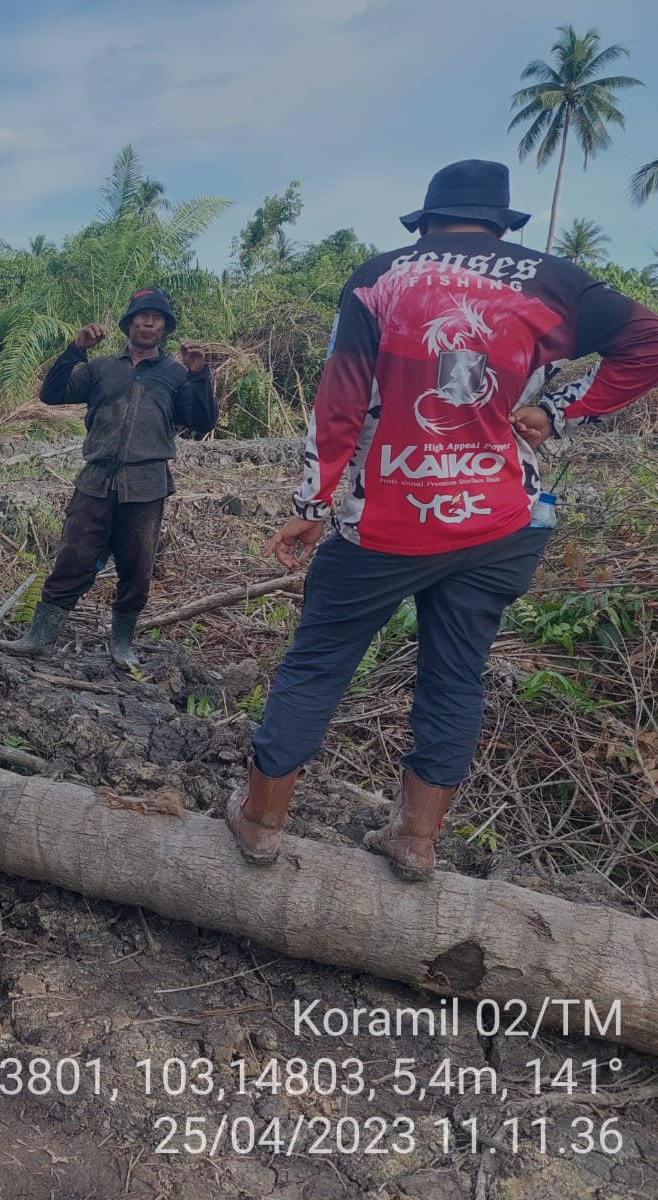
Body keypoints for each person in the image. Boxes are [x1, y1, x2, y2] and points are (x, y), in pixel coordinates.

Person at [227, 159, 658, 880]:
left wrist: (311, 504)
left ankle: (262, 821)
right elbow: (647, 343)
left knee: (317, 664)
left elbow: (339, 401)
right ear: (499, 223)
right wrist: (559, 412)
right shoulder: (551, 280)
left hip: (389, 520)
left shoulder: (381, 278)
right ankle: (415, 840)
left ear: (425, 223)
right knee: (456, 678)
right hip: (499, 527)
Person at [0, 287, 216, 666]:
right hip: (96, 480)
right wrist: (75, 349)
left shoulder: (176, 374)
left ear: (165, 327)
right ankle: (39, 636)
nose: (148, 322)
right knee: (73, 557)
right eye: (142, 316)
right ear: (128, 323)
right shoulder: (100, 368)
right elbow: (52, 394)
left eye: (157, 318)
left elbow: (201, 422)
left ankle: (122, 645)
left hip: (146, 485)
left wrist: (199, 376)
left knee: (137, 565)